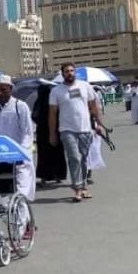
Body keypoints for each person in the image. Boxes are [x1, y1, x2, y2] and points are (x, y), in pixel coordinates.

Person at [48, 63, 106, 203]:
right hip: (67, 130)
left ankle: (84, 186)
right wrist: (52, 133)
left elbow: (94, 107)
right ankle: (77, 188)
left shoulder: (85, 86)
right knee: (74, 157)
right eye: (66, 71)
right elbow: (52, 114)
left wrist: (99, 124)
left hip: (85, 129)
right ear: (62, 74)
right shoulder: (56, 91)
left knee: (84, 158)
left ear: (75, 72)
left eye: (72, 71)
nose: (69, 73)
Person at [0, 74, 36, 202]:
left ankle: (23, 222)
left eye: (3, 90)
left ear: (10, 89)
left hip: (19, 159)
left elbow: (27, 133)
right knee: (2, 196)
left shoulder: (20, 107)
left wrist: (21, 153)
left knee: (21, 194)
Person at [33, 84, 67, 186]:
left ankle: (44, 178)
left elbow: (34, 116)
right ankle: (58, 176)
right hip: (55, 130)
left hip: (42, 132)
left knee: (43, 156)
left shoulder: (38, 102)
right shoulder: (53, 101)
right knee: (57, 154)